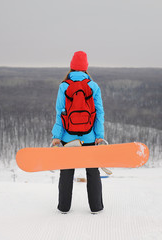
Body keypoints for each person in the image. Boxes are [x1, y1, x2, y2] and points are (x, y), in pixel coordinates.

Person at [51, 51, 105, 214]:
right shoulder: (93, 86)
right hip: (89, 136)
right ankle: (96, 207)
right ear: (86, 68)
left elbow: (60, 112)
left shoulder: (64, 86)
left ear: (72, 67)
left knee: (66, 171)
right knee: (92, 170)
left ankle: (64, 207)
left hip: (68, 137)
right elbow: (99, 112)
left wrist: (57, 137)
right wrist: (99, 135)